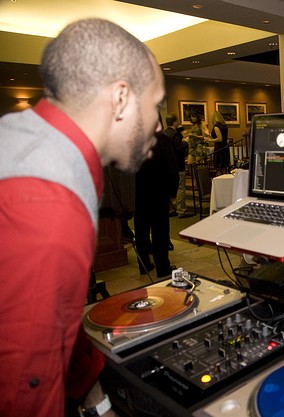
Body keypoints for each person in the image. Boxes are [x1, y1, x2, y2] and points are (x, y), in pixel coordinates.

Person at [0, 18, 165, 417]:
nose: (160, 124)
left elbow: (54, 316)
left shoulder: (31, 140)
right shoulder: (48, 206)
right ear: (120, 98)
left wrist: (95, 398)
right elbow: (24, 391)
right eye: (156, 104)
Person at [134, 115, 180, 278]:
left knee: (141, 230)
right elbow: (171, 168)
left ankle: (144, 264)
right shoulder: (161, 140)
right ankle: (162, 267)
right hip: (158, 191)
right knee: (160, 230)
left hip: (139, 191)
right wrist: (172, 192)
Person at [163, 112, 192, 218]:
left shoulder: (164, 133)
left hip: (167, 166)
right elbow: (179, 148)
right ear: (175, 122)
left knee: (167, 188)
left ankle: (170, 209)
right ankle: (182, 210)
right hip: (178, 165)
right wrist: (186, 142)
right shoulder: (175, 134)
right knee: (181, 188)